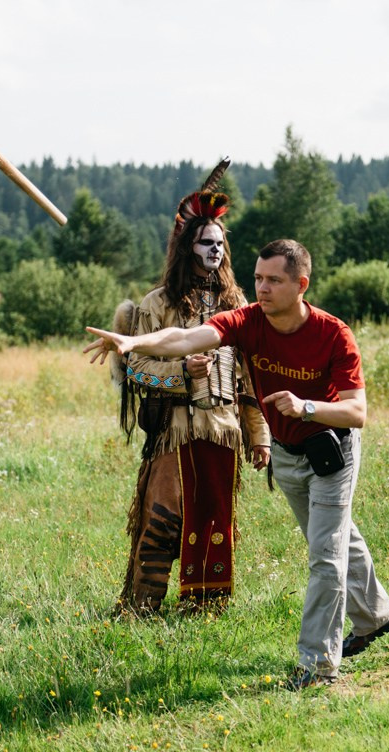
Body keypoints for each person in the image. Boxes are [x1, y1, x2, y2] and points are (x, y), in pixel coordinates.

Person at [86, 239, 389, 689]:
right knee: (335, 537)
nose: (262, 288)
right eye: (258, 278)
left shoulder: (334, 334)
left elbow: (357, 413)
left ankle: (318, 666)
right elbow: (185, 338)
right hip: (289, 456)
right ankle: (377, 617)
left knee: (325, 556)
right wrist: (134, 340)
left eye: (274, 280)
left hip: (332, 452)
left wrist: (304, 407)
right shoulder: (250, 321)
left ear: (301, 285)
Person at [111, 173, 270, 616]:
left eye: (219, 243)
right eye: (205, 242)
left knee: (214, 520)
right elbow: (137, 369)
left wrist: (258, 436)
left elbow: (249, 376)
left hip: (222, 428)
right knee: (164, 518)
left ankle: (205, 608)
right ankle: (141, 607)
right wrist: (182, 370)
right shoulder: (158, 303)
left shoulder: (236, 304)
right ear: (187, 247)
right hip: (175, 430)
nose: (214, 250)